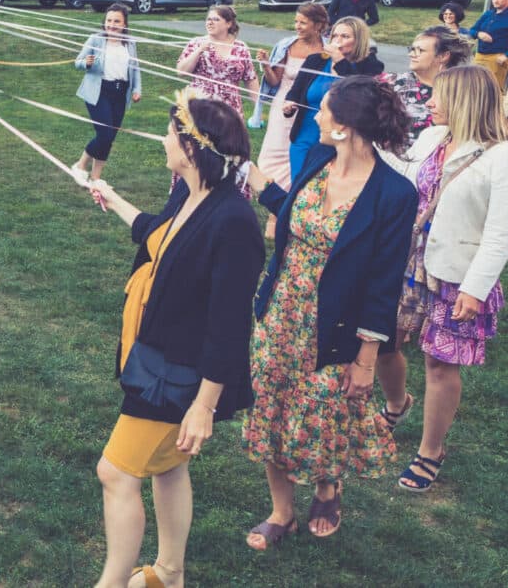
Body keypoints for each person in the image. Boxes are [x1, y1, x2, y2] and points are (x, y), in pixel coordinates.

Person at [85, 93, 263, 588]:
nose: (163, 140)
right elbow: (158, 235)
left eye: (170, 133)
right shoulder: (188, 194)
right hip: (159, 358)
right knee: (167, 467)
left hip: (182, 374)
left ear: (191, 146)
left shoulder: (234, 222)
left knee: (115, 472)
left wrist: (204, 405)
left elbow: (230, 326)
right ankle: (168, 574)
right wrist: (111, 197)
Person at [242, 76, 415, 548]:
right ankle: (281, 513)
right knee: (273, 407)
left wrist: (365, 360)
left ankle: (326, 486)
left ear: (344, 126)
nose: (315, 115)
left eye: (324, 110)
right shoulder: (318, 159)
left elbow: (384, 284)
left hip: (335, 325)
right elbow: (296, 213)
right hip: (281, 312)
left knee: (323, 415)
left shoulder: (394, 194)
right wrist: (253, 177)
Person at [373, 65, 508, 492]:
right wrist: (366, 137)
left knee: (439, 363)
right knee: (383, 340)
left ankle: (430, 450)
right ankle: (397, 403)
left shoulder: (500, 157)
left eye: (439, 95)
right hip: (406, 261)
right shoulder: (433, 137)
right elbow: (403, 174)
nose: (429, 102)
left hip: (455, 274)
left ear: (464, 101)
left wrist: (475, 288)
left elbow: (499, 234)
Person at [283, 16, 384, 181]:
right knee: (299, 185)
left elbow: (359, 94)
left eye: (345, 36)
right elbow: (296, 90)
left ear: (358, 40)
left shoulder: (370, 65)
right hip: (305, 136)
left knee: (328, 187)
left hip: (341, 141)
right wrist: (289, 103)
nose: (338, 40)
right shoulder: (314, 60)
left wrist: (340, 61)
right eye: (335, 35)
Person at [254, 4, 328, 191]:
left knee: (302, 150)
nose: (297, 26)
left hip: (311, 107)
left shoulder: (327, 50)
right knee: (274, 150)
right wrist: (266, 65)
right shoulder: (286, 45)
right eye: (296, 22)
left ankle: (295, 191)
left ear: (318, 25)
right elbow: (274, 81)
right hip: (284, 104)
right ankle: (273, 191)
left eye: (303, 23)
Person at [72, 4, 142, 183]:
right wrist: (86, 63)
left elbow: (135, 68)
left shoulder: (130, 43)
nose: (112, 24)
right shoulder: (95, 39)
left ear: (124, 24)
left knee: (110, 137)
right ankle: (80, 165)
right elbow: (78, 62)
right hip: (99, 92)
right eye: (109, 20)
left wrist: (136, 89)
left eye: (117, 21)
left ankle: (96, 177)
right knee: (105, 134)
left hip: (120, 93)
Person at [175, 5, 258, 118]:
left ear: (228, 24)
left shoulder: (240, 47)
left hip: (231, 110)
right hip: (201, 108)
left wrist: (257, 108)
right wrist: (199, 51)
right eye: (208, 19)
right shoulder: (196, 43)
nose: (210, 23)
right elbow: (181, 72)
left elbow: (250, 78)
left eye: (216, 19)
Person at [392, 27, 472, 137]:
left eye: (420, 50)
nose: (411, 54)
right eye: (411, 49)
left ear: (443, 56)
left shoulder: (462, 91)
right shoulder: (392, 83)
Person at [467, 0, 508, 92]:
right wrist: (478, 34)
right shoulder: (488, 14)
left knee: (493, 90)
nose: (495, 1)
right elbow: (472, 30)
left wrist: (506, 55)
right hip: (480, 56)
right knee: (475, 87)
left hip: (497, 58)